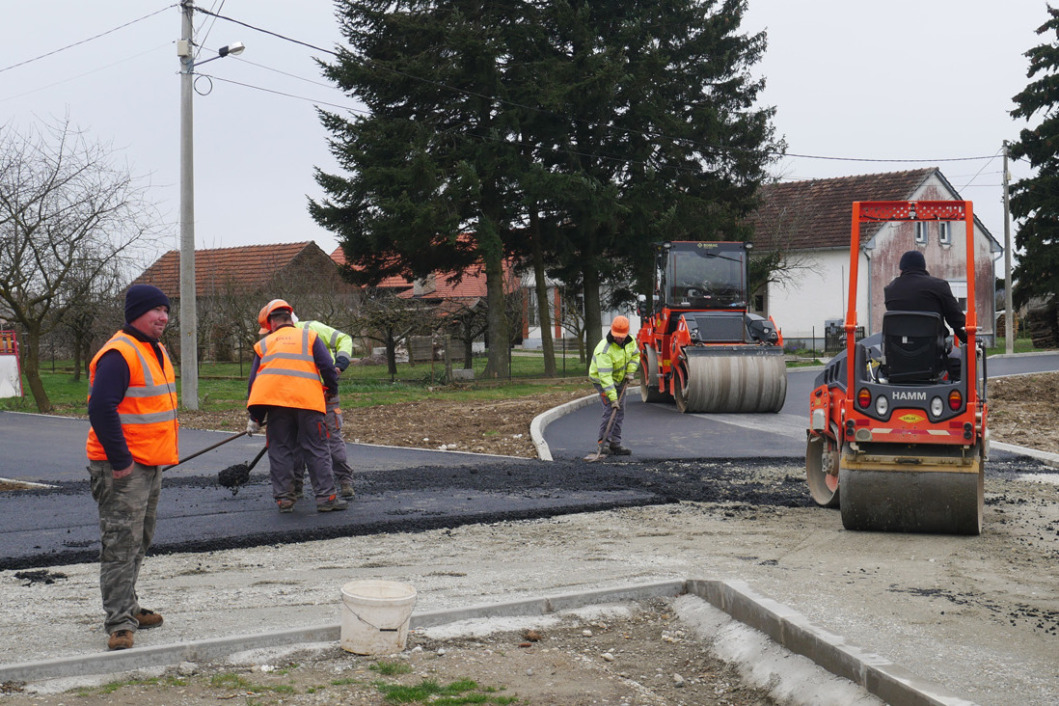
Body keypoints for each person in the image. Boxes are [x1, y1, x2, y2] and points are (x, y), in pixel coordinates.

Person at [86, 284, 178, 651]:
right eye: (155, 310)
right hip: (123, 468)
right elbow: (100, 408)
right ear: (135, 314)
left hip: (149, 463)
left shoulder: (152, 348)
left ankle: (129, 606)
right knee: (121, 545)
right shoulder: (119, 353)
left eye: (166, 311)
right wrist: (121, 461)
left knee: (139, 541)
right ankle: (119, 622)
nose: (163, 318)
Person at [247, 299, 347, 513]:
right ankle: (326, 499)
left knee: (280, 450)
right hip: (309, 404)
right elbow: (327, 367)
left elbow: (255, 381)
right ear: (289, 318)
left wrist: (254, 417)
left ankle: (284, 499)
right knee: (317, 449)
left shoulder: (263, 345)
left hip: (276, 406)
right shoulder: (310, 337)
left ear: (272, 323)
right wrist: (331, 388)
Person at [883, 250, 967, 380]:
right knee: (963, 361)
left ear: (902, 269)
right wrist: (969, 341)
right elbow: (957, 321)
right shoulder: (939, 286)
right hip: (933, 358)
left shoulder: (890, 290)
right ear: (923, 267)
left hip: (898, 359)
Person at [588, 315, 641, 456]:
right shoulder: (604, 350)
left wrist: (630, 373)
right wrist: (613, 399)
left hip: (620, 380)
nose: (619, 339)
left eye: (622, 336)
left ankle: (614, 444)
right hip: (602, 381)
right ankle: (603, 443)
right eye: (617, 336)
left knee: (620, 411)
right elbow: (605, 377)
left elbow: (635, 356)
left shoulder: (630, 341)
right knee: (611, 409)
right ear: (612, 332)